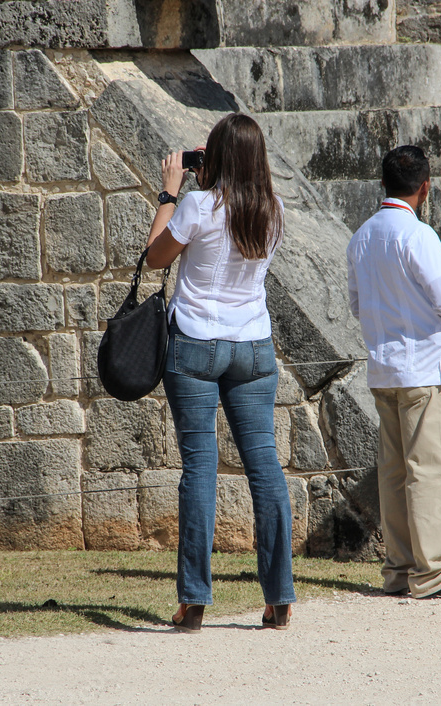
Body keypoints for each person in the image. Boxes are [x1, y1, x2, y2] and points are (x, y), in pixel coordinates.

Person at [145, 113, 296, 632]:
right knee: (265, 468)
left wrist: (170, 192)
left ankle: (194, 600)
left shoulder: (197, 204)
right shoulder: (272, 210)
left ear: (216, 156)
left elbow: (155, 259)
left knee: (200, 470)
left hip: (196, 343)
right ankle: (279, 598)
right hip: (253, 345)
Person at [346, 145, 441, 600]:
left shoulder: (362, 236)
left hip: (384, 367)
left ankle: (400, 568)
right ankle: (431, 573)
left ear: (382, 184)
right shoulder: (419, 234)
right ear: (424, 187)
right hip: (424, 366)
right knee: (430, 470)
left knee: (392, 472)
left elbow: (356, 304)